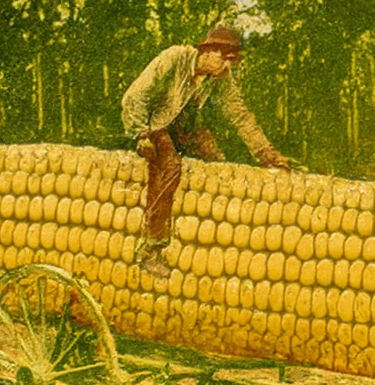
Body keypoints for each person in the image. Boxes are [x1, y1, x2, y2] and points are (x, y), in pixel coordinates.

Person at [121, 25, 292, 277]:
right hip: (152, 124)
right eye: (225, 59)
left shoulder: (219, 77)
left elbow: (240, 115)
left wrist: (267, 153)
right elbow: (135, 97)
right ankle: (151, 249)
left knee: (218, 166)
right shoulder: (174, 58)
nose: (227, 67)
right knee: (170, 168)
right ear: (209, 51)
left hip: (184, 124)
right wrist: (141, 133)